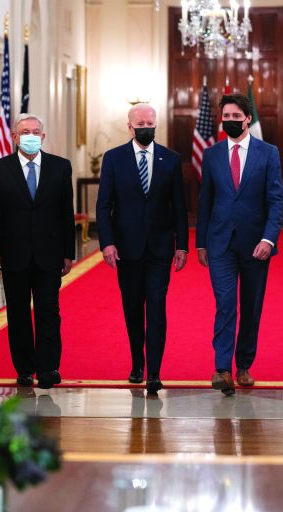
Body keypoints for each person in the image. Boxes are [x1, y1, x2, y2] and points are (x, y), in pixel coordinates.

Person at [96, 103, 188, 394]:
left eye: (151, 123)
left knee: (157, 307)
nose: (146, 127)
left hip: (160, 248)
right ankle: (137, 363)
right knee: (133, 308)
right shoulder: (113, 159)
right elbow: (103, 206)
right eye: (141, 124)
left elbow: (179, 207)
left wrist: (182, 245)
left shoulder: (171, 159)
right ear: (130, 126)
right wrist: (107, 243)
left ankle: (154, 372)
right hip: (126, 248)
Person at [196, 93, 283, 396]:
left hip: (256, 245)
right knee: (225, 304)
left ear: (248, 118)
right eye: (226, 116)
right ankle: (222, 369)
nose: (230, 121)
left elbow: (276, 201)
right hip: (220, 242)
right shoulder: (211, 154)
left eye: (236, 116)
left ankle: (244, 364)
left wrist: (269, 239)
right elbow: (205, 200)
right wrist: (200, 243)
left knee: (251, 306)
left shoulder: (268, 153)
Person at [0, 113, 75, 389]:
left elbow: (65, 214)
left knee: (49, 312)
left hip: (49, 254)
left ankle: (48, 369)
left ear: (43, 137)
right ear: (14, 136)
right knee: (18, 314)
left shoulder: (60, 167)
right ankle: (24, 369)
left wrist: (68, 252)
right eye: (25, 132)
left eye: (36, 132)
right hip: (13, 255)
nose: (31, 136)